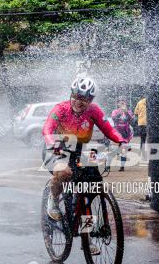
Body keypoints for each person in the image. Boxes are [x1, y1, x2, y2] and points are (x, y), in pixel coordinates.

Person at [42, 77, 128, 227]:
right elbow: (47, 129)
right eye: (75, 96)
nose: (78, 101)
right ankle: (53, 199)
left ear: (91, 99)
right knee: (64, 172)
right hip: (56, 148)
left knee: (93, 185)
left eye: (84, 98)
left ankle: (86, 233)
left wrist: (121, 141)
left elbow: (108, 129)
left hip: (78, 150)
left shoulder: (94, 111)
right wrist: (53, 145)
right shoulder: (61, 109)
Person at [110, 99, 135, 171]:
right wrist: (120, 112)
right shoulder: (115, 111)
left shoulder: (128, 112)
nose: (122, 105)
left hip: (125, 133)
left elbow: (131, 120)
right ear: (118, 104)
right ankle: (120, 150)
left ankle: (122, 166)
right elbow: (114, 118)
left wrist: (126, 112)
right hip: (117, 132)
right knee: (117, 149)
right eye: (120, 103)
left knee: (123, 149)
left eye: (123, 103)